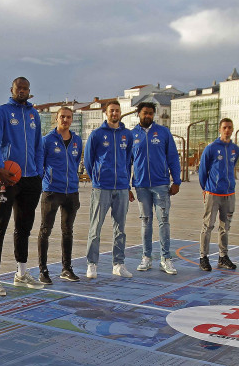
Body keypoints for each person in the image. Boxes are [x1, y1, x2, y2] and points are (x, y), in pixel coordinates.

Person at [0, 77, 45, 296]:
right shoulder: (1, 112)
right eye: (19, 88)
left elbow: (39, 145)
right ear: (11, 89)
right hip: (8, 176)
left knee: (24, 227)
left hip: (31, 178)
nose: (22, 91)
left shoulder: (33, 114)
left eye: (26, 88)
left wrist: (39, 172)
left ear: (30, 92)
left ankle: (21, 272)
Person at [129, 101, 181, 275]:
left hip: (161, 185)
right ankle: (146, 257)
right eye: (145, 113)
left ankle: (166, 258)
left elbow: (173, 157)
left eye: (151, 113)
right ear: (138, 113)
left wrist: (177, 181)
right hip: (141, 185)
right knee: (145, 221)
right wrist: (126, 185)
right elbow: (125, 163)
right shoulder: (132, 135)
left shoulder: (164, 133)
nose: (148, 116)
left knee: (164, 221)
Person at [84, 100, 134, 279]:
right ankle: (92, 264)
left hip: (120, 187)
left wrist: (126, 183)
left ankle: (118, 264)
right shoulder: (97, 135)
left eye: (117, 111)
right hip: (101, 187)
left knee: (120, 229)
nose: (115, 113)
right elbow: (89, 161)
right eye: (112, 111)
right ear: (106, 113)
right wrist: (97, 178)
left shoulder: (127, 135)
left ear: (120, 112)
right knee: (95, 227)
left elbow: (128, 160)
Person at [37, 106, 82, 284]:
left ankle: (67, 268)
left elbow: (76, 162)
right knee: (45, 231)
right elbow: (40, 165)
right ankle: (43, 270)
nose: (65, 120)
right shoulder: (47, 140)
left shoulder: (77, 141)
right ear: (56, 119)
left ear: (72, 120)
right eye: (62, 117)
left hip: (71, 192)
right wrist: (44, 185)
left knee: (68, 231)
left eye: (68, 117)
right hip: (51, 191)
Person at [198, 118, 239, 272]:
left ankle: (223, 257)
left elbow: (232, 166)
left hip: (229, 193)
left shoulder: (235, 149)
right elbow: (203, 170)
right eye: (224, 127)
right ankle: (203, 257)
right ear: (220, 129)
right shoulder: (211, 148)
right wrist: (206, 189)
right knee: (208, 225)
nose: (227, 130)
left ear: (232, 129)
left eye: (229, 127)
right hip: (213, 193)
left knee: (225, 227)